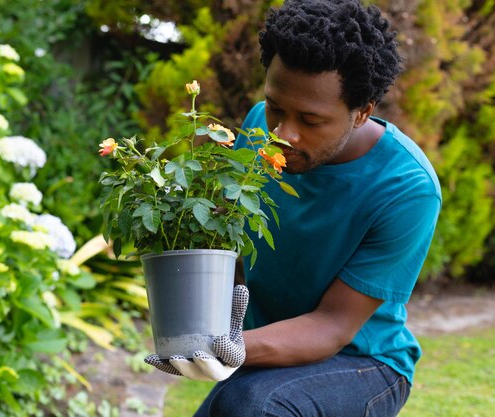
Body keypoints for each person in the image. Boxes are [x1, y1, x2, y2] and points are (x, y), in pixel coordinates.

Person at [145, 0, 442, 415]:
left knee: (252, 406)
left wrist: (225, 346)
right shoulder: (256, 127)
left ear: (362, 112)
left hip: (363, 361)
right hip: (272, 346)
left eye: (311, 120)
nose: (283, 135)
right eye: (276, 108)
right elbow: (228, 242)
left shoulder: (406, 187)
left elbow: (333, 325)